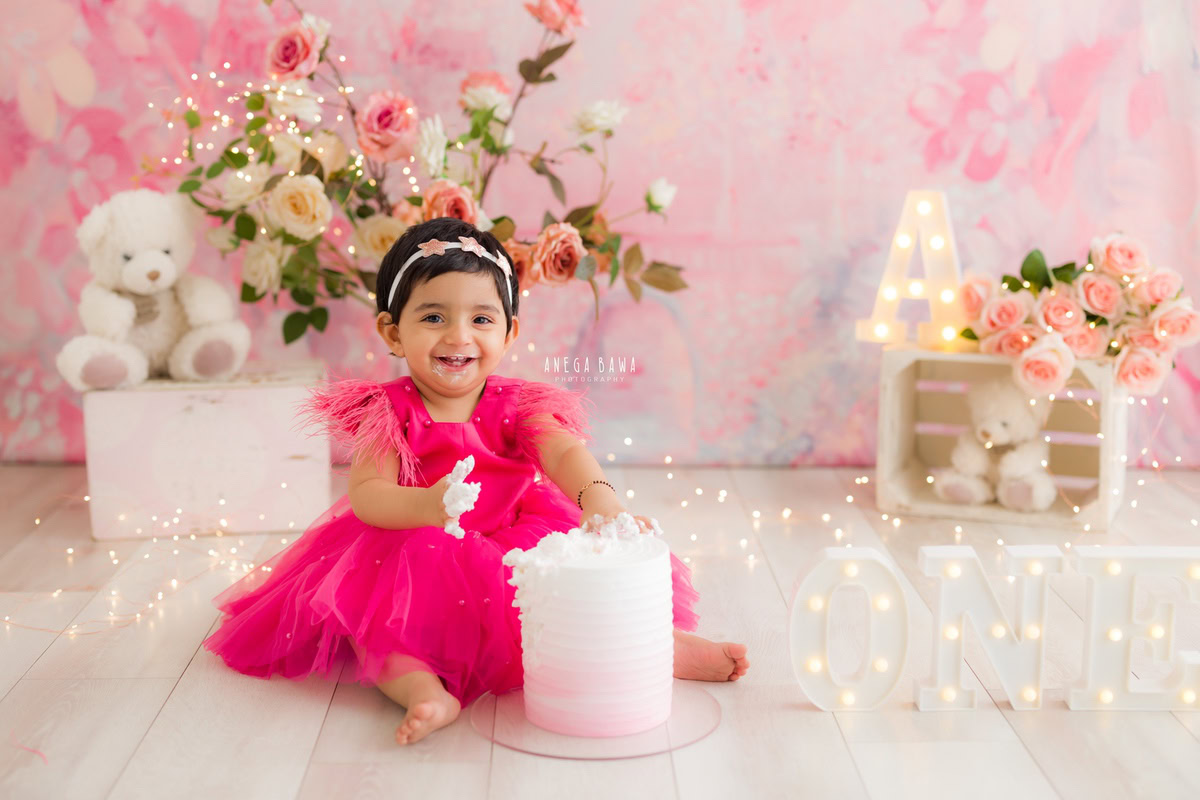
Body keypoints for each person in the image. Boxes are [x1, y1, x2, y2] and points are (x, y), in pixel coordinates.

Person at [201, 217, 749, 745]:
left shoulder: (517, 405)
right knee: (382, 628)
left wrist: (599, 501)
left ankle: (662, 646)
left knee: (577, 589)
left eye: (482, 319)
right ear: (393, 331)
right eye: (433, 317)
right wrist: (427, 507)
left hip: (517, 537)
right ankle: (423, 691)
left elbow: (564, 453)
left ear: (510, 332)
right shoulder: (388, 411)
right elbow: (367, 495)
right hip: (416, 548)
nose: (458, 336)